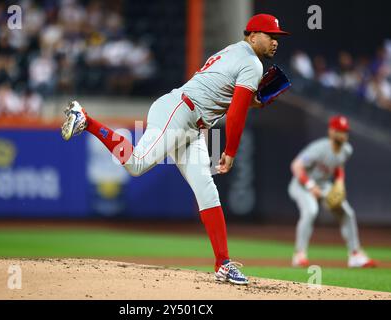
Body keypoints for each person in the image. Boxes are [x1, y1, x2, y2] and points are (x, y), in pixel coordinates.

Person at [61, 14, 290, 285]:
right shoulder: (251, 62)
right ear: (252, 35)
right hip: (179, 110)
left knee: (206, 188)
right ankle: (86, 120)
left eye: (277, 37)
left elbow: (231, 96)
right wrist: (230, 150)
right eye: (270, 35)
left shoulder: (234, 52)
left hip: (191, 123)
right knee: (136, 164)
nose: (275, 41)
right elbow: (237, 111)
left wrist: (255, 100)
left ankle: (223, 263)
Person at [289, 115, 377, 268]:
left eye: (345, 131)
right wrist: (310, 186)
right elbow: (296, 166)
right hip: (301, 185)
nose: (343, 134)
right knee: (311, 210)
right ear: (331, 131)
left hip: (323, 185)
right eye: (340, 131)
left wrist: (340, 182)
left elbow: (339, 165)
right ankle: (299, 255)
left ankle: (355, 254)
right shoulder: (319, 148)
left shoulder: (347, 150)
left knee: (347, 213)